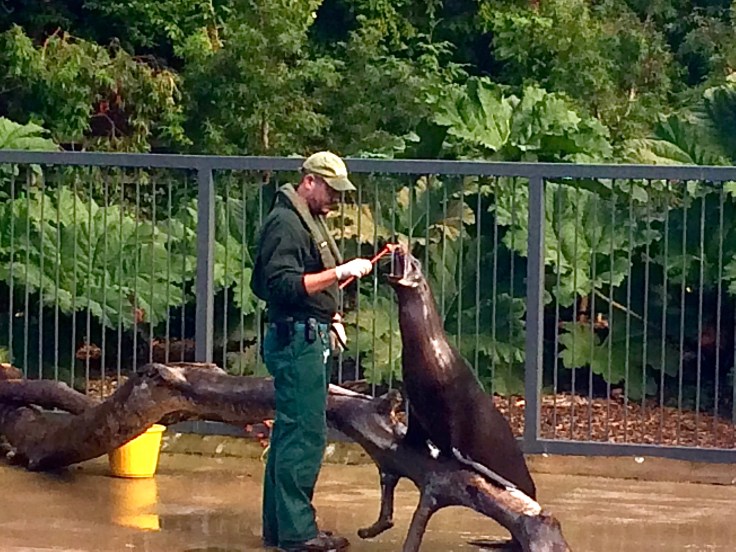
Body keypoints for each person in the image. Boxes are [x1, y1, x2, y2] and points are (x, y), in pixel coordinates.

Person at [250, 151, 373, 552]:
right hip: (296, 340)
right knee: (304, 435)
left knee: (290, 433)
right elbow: (282, 285)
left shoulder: (307, 218)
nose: (336, 198)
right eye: (331, 189)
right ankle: (299, 534)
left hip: (307, 334)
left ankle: (280, 529)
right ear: (309, 182)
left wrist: (331, 316)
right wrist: (339, 273)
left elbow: (305, 289)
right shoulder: (286, 222)